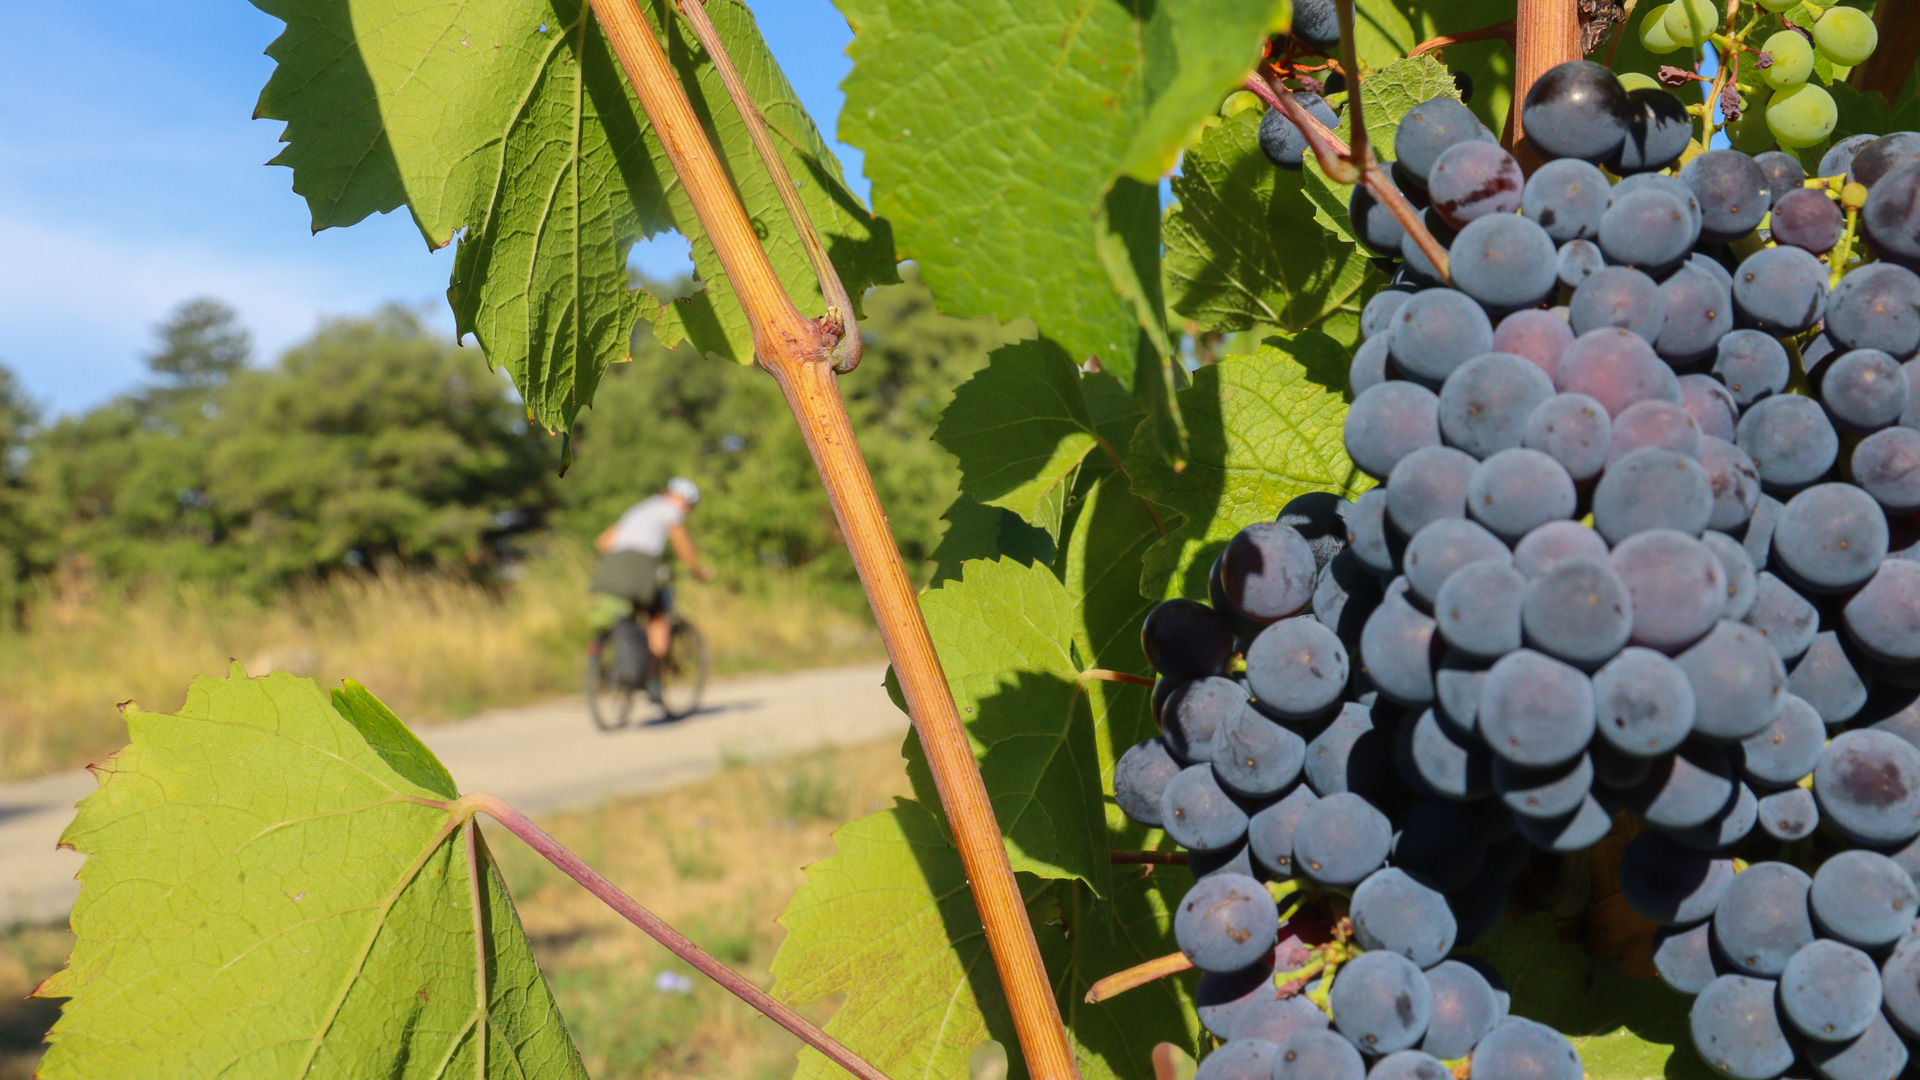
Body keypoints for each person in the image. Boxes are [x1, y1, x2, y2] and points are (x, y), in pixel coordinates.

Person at [591, 477, 715, 664]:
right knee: (659, 613)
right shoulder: (670, 510)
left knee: (630, 611)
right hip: (639, 569)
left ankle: (624, 660)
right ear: (683, 500)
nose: (687, 511)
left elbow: (603, 542)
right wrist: (698, 570)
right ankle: (653, 667)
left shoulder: (640, 509)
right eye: (689, 506)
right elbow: (683, 547)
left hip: (611, 569)